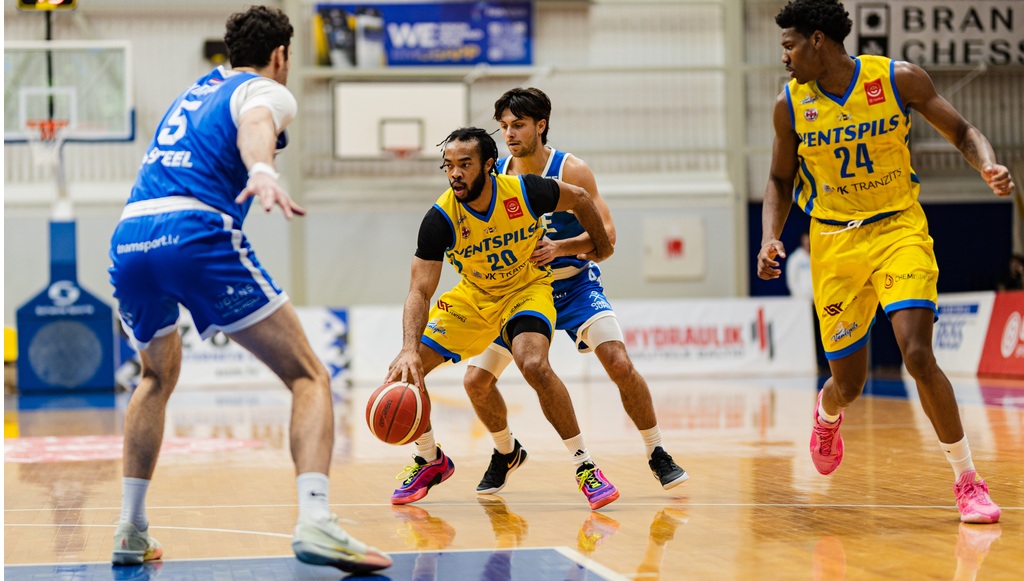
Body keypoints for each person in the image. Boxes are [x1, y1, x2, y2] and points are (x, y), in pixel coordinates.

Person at [106, 6, 391, 573]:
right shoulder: (265, 89)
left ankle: (130, 529)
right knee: (309, 376)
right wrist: (262, 169)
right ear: (281, 55)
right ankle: (316, 520)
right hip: (192, 231)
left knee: (155, 376)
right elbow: (257, 123)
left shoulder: (195, 92)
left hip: (129, 237)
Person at [757, 0, 1014, 524]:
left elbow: (964, 131)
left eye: (789, 46)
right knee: (848, 385)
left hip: (898, 228)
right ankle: (827, 414)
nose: (784, 57)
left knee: (917, 354)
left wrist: (987, 164)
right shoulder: (790, 105)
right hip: (835, 242)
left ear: (818, 40)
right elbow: (780, 180)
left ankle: (968, 481)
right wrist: (769, 238)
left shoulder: (897, 79)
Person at [462, 87, 688, 497]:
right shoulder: (497, 176)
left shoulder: (572, 170)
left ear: (541, 126)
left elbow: (608, 235)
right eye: (504, 126)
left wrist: (561, 248)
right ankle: (506, 450)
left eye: (518, 125)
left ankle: (657, 451)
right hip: (520, 291)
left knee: (619, 363)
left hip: (575, 284)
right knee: (476, 381)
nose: (509, 134)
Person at [385, 126, 619, 510]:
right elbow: (419, 291)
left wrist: (601, 247)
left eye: (465, 164)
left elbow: (578, 197)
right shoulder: (440, 218)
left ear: (489, 165)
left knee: (534, 364)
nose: (455, 173)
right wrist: (409, 347)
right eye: (448, 166)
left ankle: (585, 466)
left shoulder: (526, 191)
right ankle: (430, 459)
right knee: (405, 373)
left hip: (526, 290)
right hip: (474, 299)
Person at [785, 230, 813, 300]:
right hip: (801, 298)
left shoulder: (818, 257)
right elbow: (792, 279)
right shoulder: (795, 258)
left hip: (817, 297)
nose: (807, 243)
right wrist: (799, 295)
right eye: (806, 241)